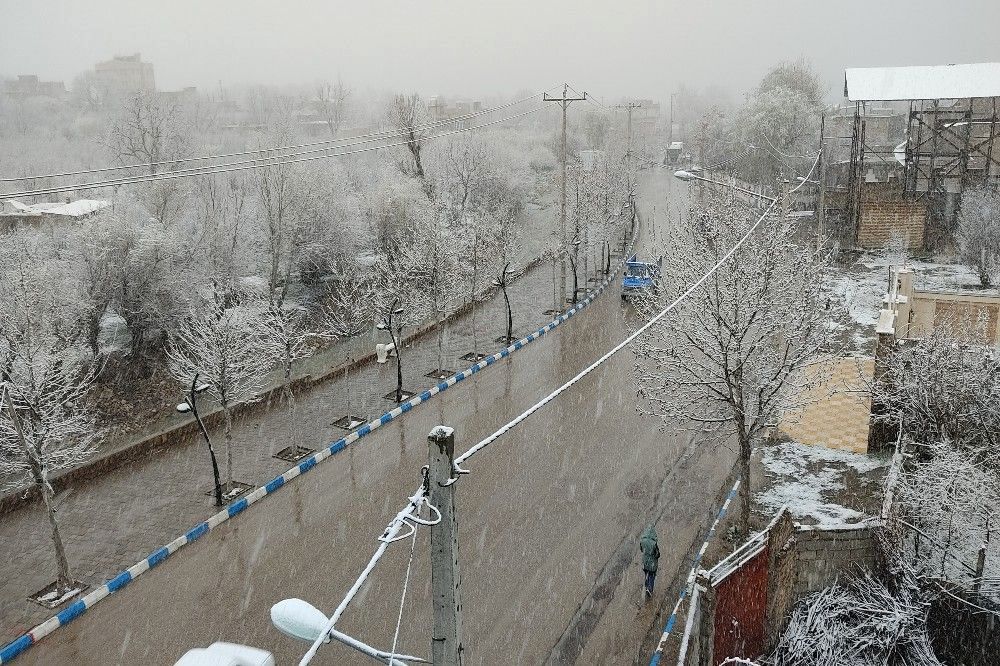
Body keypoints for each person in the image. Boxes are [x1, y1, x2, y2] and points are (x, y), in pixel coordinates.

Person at [640, 525, 660, 598]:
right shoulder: (654, 544)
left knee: (646, 573)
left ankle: (646, 584)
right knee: (652, 575)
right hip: (652, 563)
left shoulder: (642, 541)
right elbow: (657, 554)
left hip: (645, 561)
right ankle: (649, 588)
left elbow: (641, 550)